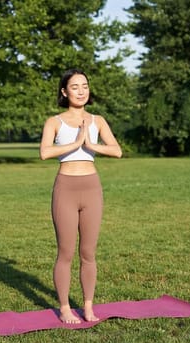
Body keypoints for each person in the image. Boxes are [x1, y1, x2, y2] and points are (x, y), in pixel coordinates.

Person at [39, 68, 122, 324]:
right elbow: (44, 152)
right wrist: (75, 144)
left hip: (91, 187)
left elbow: (117, 150)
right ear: (64, 92)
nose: (81, 91)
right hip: (66, 187)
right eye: (75, 87)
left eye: (84, 86)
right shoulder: (55, 121)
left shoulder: (97, 121)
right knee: (65, 251)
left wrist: (89, 144)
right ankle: (64, 307)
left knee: (88, 252)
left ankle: (87, 307)